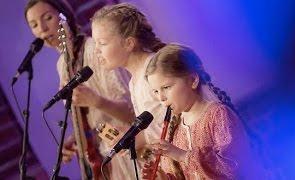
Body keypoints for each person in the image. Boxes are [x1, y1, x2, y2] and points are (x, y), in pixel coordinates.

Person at [24, 0, 136, 179]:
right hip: (104, 162)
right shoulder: (62, 65)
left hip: (130, 153)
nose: (42, 29)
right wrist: (76, 138)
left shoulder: (95, 50)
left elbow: (134, 113)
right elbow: (94, 121)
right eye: (34, 25)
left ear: (65, 16)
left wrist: (96, 101)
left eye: (48, 18)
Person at [142, 44, 266, 179]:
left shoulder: (218, 115)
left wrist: (182, 155)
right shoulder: (174, 130)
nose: (161, 98)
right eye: (155, 91)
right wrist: (164, 177)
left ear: (193, 80)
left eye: (166, 87)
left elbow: (232, 166)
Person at [91, 3, 171, 178]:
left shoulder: (154, 71)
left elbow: (175, 122)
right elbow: (155, 121)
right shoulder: (134, 82)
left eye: (102, 43)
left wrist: (136, 139)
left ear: (128, 43)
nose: (96, 50)